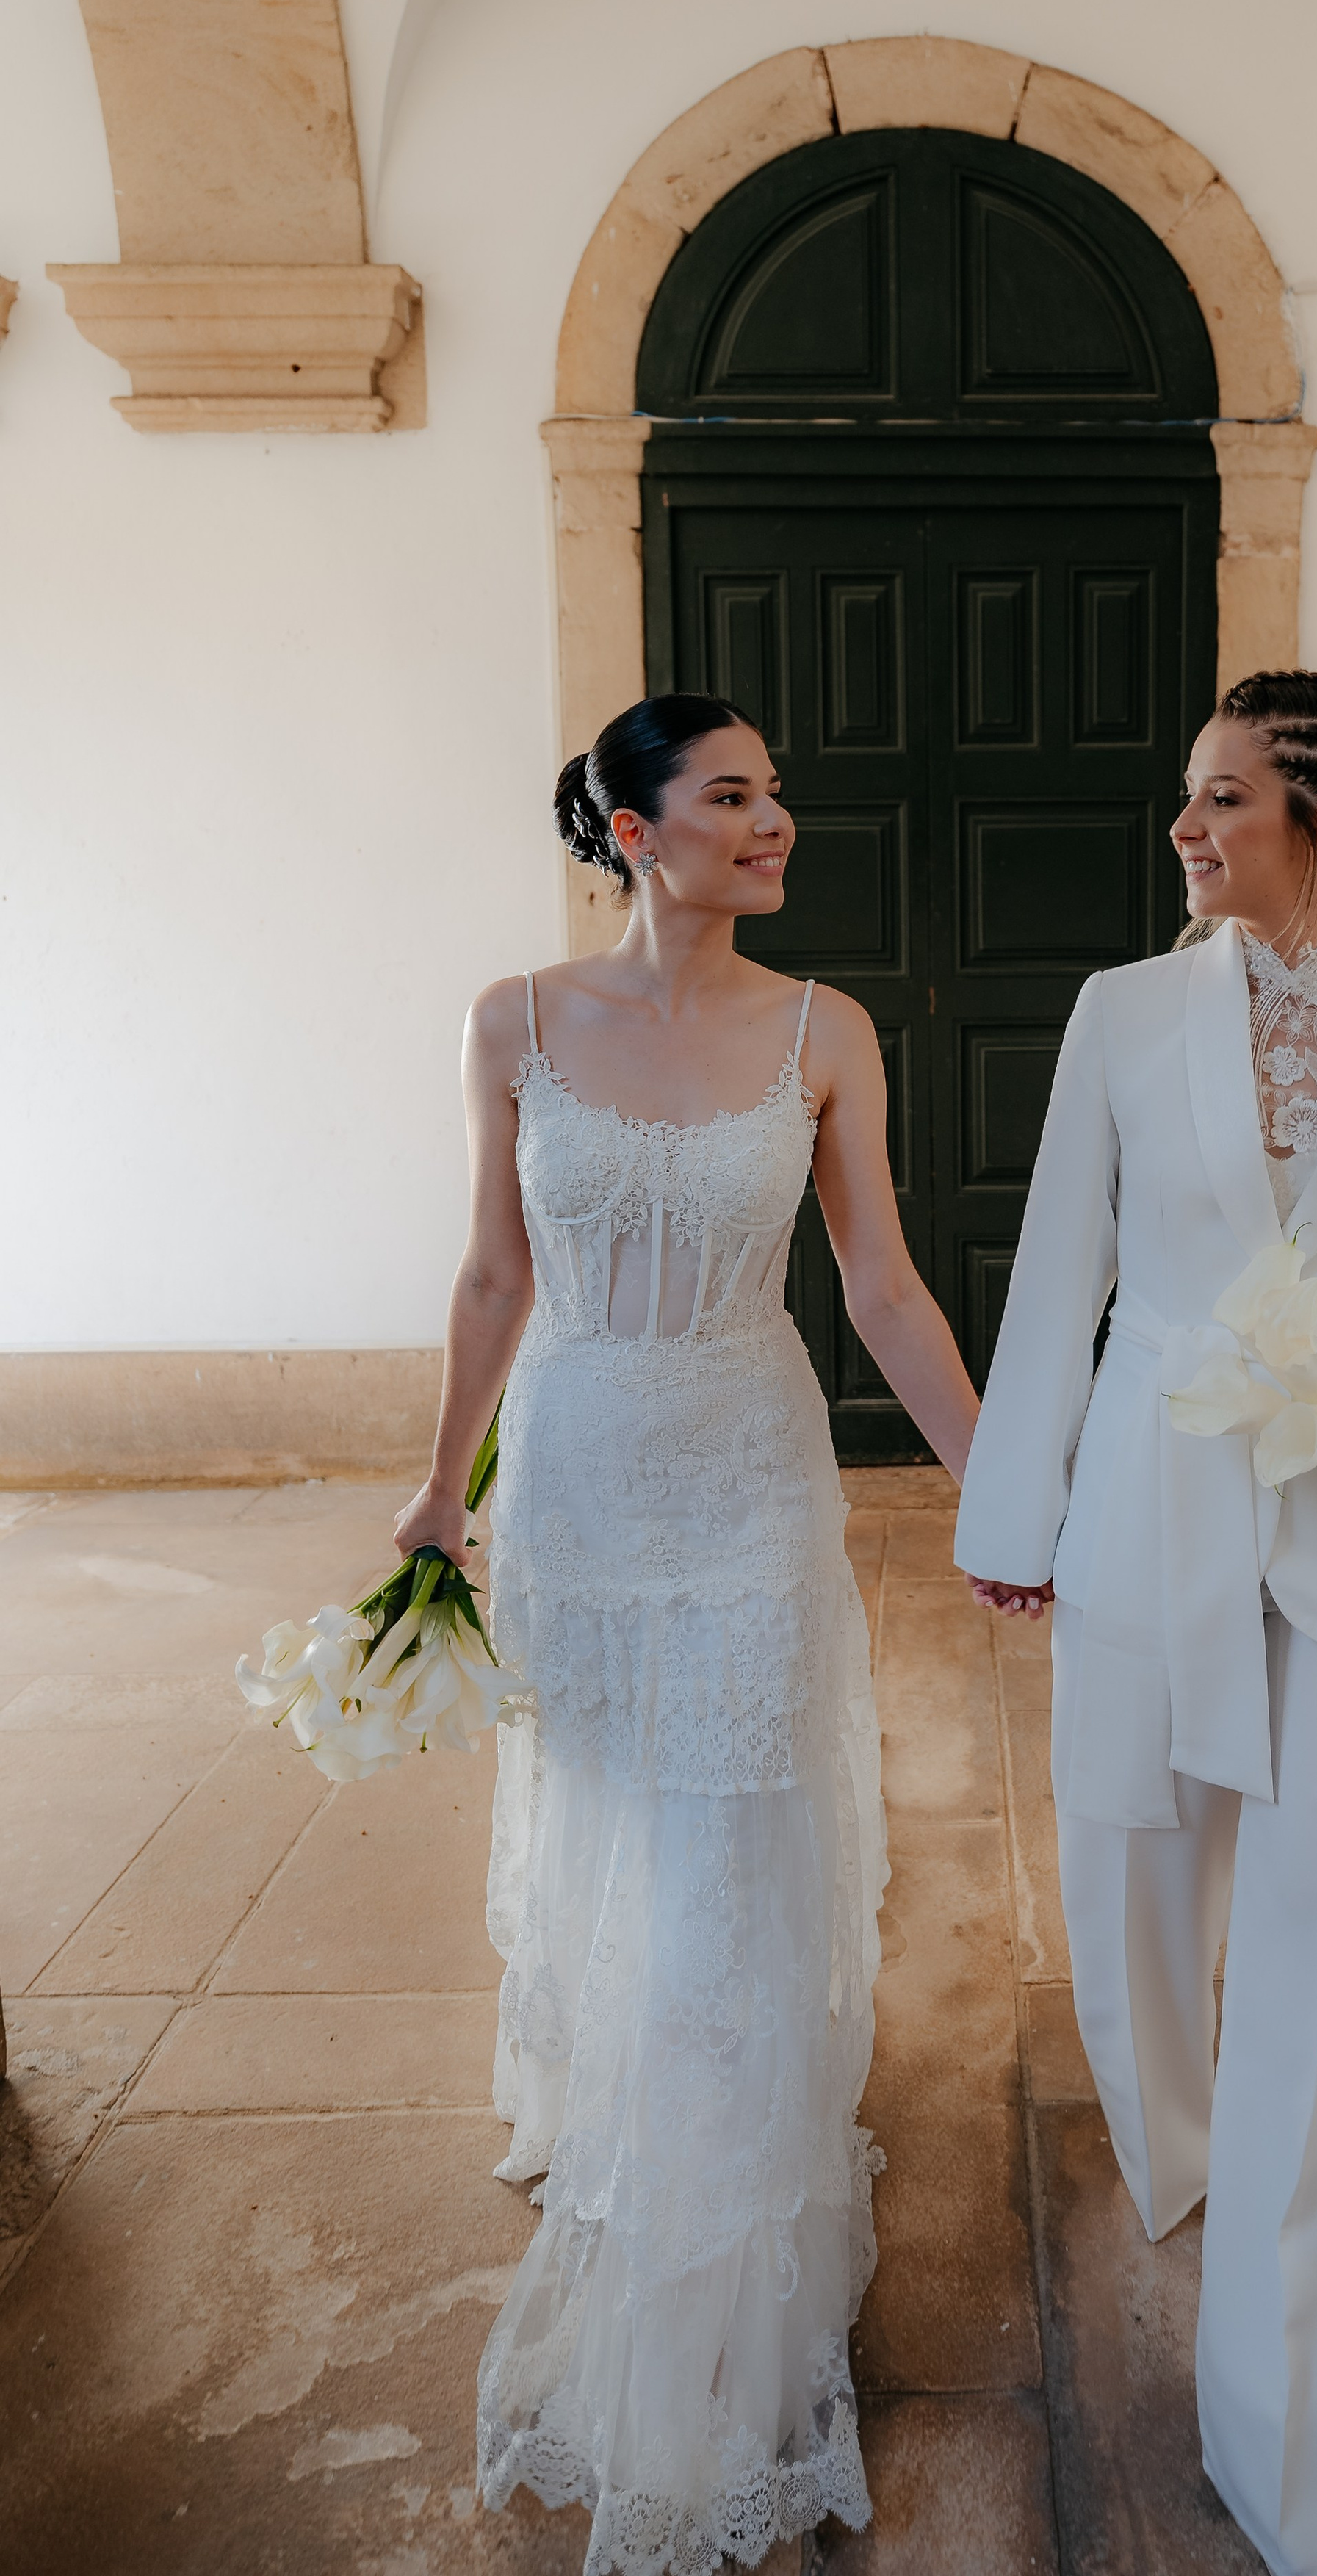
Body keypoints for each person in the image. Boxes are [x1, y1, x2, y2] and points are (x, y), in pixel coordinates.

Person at [953, 671, 1317, 2576]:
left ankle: (1311, 2453)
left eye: (1222, 802)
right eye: (1187, 799)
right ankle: (1180, 2150)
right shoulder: (1126, 1016)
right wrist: (1015, 1513)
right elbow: (1062, 1281)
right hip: (1153, 1504)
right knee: (1131, 1894)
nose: (1187, 832)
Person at [392, 695, 978, 2576]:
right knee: (620, 1829)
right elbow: (494, 1269)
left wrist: (996, 1479)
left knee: (730, 1867)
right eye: (736, 795)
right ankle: (617, 2110)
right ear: (637, 831)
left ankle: (713, 2313)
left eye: (775, 793)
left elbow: (878, 1282)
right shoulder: (516, 1022)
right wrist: (440, 1486)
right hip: (574, 1474)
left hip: (745, 1474)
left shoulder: (825, 1034)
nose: (775, 819)